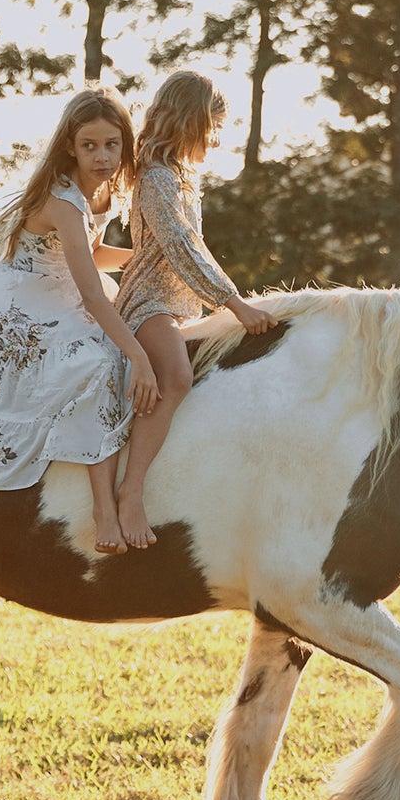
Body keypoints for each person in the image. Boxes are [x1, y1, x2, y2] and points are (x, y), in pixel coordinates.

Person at [0, 86, 161, 554]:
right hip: (22, 298)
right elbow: (92, 292)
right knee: (100, 362)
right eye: (89, 146)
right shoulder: (63, 199)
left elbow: (91, 255)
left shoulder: (105, 190)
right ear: (70, 146)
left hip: (63, 284)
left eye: (111, 145)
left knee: (120, 344)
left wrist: (148, 261)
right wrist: (139, 356)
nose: (102, 157)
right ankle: (103, 508)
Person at [111, 70, 277, 548]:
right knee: (177, 377)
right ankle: (131, 491)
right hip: (149, 304)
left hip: (180, 307)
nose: (217, 139)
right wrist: (235, 303)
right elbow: (183, 247)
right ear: (190, 122)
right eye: (213, 127)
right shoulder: (157, 178)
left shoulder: (182, 178)